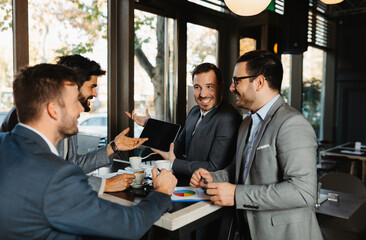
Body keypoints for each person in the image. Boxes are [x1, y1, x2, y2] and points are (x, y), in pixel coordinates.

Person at [0, 63, 177, 239]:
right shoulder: (57, 177)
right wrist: (160, 192)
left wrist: (113, 147)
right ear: (53, 110)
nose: (82, 108)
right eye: (74, 101)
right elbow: (129, 226)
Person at [190, 50, 323, 240]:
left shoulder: (292, 124)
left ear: (259, 82)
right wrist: (212, 177)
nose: (231, 87)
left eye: (237, 81)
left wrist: (237, 195)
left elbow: (303, 192)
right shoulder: (246, 123)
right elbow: (239, 169)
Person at [0, 54, 140, 193]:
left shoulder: (67, 118)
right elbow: (41, 174)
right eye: (92, 87)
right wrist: (104, 184)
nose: (95, 94)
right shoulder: (30, 115)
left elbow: (73, 165)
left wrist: (113, 147)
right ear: (73, 85)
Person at [127, 63, 242, 185]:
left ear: (221, 86)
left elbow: (214, 167)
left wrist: (174, 162)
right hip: (186, 184)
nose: (203, 94)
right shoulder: (194, 112)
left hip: (209, 189)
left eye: (209, 87)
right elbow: (176, 146)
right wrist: (149, 125)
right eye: (197, 87)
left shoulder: (228, 117)